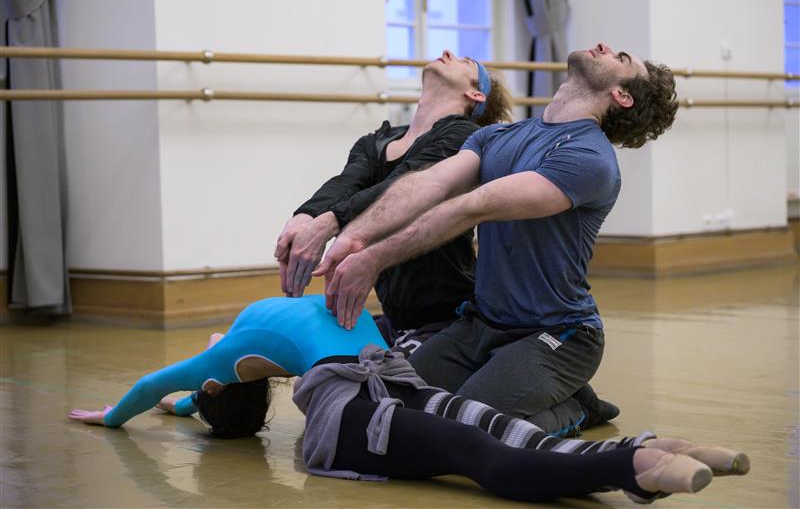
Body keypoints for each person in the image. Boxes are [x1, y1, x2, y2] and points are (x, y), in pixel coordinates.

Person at [313, 42, 680, 435]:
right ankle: (539, 388)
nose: (606, 47)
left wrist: (374, 258)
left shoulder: (590, 159)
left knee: (465, 426)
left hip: (558, 334)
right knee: (380, 403)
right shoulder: (498, 136)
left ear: (621, 95)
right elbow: (429, 184)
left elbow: (474, 206)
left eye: (621, 59)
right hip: (481, 324)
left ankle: (575, 408)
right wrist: (354, 235)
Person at [68, 296, 748, 504]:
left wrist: (154, 410)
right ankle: (639, 460)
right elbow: (169, 392)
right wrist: (147, 411)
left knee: (491, 440)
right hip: (376, 393)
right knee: (487, 442)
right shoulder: (242, 343)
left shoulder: (230, 359)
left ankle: (643, 456)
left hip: (374, 394)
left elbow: (168, 390)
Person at [274, 49, 512, 355]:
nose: (447, 52)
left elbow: (399, 186)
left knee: (354, 377)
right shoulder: (375, 142)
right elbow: (347, 183)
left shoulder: (465, 136)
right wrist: (306, 216)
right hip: (397, 318)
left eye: (465, 62)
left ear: (475, 94)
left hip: (449, 316)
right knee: (298, 346)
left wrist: (329, 222)